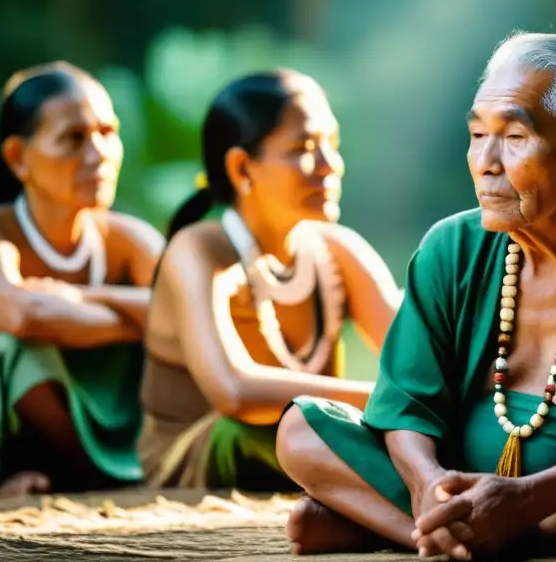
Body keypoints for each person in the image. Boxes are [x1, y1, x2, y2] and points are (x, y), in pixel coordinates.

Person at [275, 32, 556, 561]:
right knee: (300, 430)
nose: (485, 162)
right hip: (464, 482)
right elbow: (406, 404)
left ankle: (411, 530)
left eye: (515, 136)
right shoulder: (450, 246)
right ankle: (472, 529)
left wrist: (522, 502)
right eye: (477, 134)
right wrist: (427, 484)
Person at [138, 69, 402, 490]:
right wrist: (392, 403)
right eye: (303, 148)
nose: (328, 166)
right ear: (242, 167)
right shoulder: (198, 251)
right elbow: (234, 393)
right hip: (200, 456)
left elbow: (416, 355)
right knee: (279, 431)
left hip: (308, 438)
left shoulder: (340, 251)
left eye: (330, 145)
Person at [0, 61, 164, 497]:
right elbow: (20, 314)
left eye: (108, 133)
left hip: (77, 429)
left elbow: (187, 316)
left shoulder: (130, 240)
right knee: (22, 348)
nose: (99, 154)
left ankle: (77, 467)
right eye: (74, 138)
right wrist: (138, 316)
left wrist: (79, 296)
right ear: (18, 157)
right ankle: (89, 472)